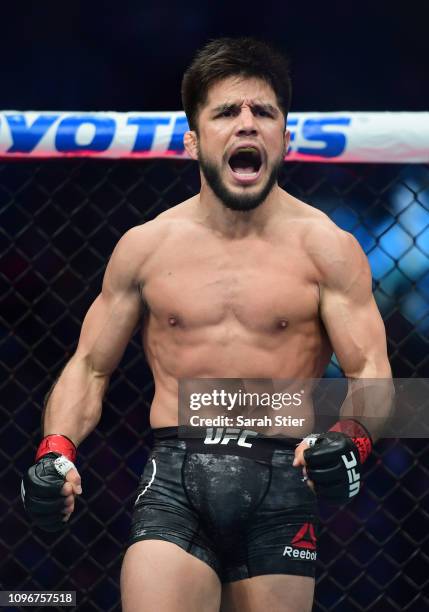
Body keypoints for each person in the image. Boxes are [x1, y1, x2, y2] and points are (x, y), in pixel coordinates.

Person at [21, 38, 393, 612]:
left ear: (284, 138)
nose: (247, 125)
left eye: (264, 113)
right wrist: (55, 451)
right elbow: (90, 368)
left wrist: (351, 439)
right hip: (175, 478)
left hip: (282, 481)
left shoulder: (329, 249)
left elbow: (372, 372)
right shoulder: (146, 248)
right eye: (226, 112)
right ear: (194, 139)